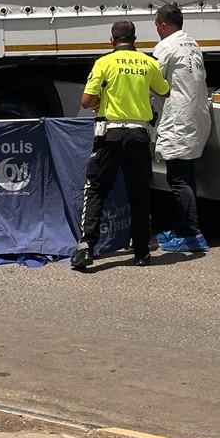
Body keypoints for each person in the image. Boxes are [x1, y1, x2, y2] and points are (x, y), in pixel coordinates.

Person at [72, 20, 170, 271]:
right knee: (138, 194)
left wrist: (102, 97)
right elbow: (164, 92)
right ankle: (141, 253)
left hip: (110, 135)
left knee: (95, 190)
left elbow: (86, 101)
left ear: (111, 40)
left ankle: (86, 249)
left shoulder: (104, 62)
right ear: (135, 39)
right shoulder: (149, 63)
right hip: (138, 135)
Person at [151, 3, 211, 253]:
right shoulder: (192, 44)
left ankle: (190, 233)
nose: (157, 30)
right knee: (186, 176)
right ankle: (185, 229)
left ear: (163, 25)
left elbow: (151, 78)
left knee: (178, 179)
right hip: (195, 117)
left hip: (179, 119)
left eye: (156, 25)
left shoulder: (165, 46)